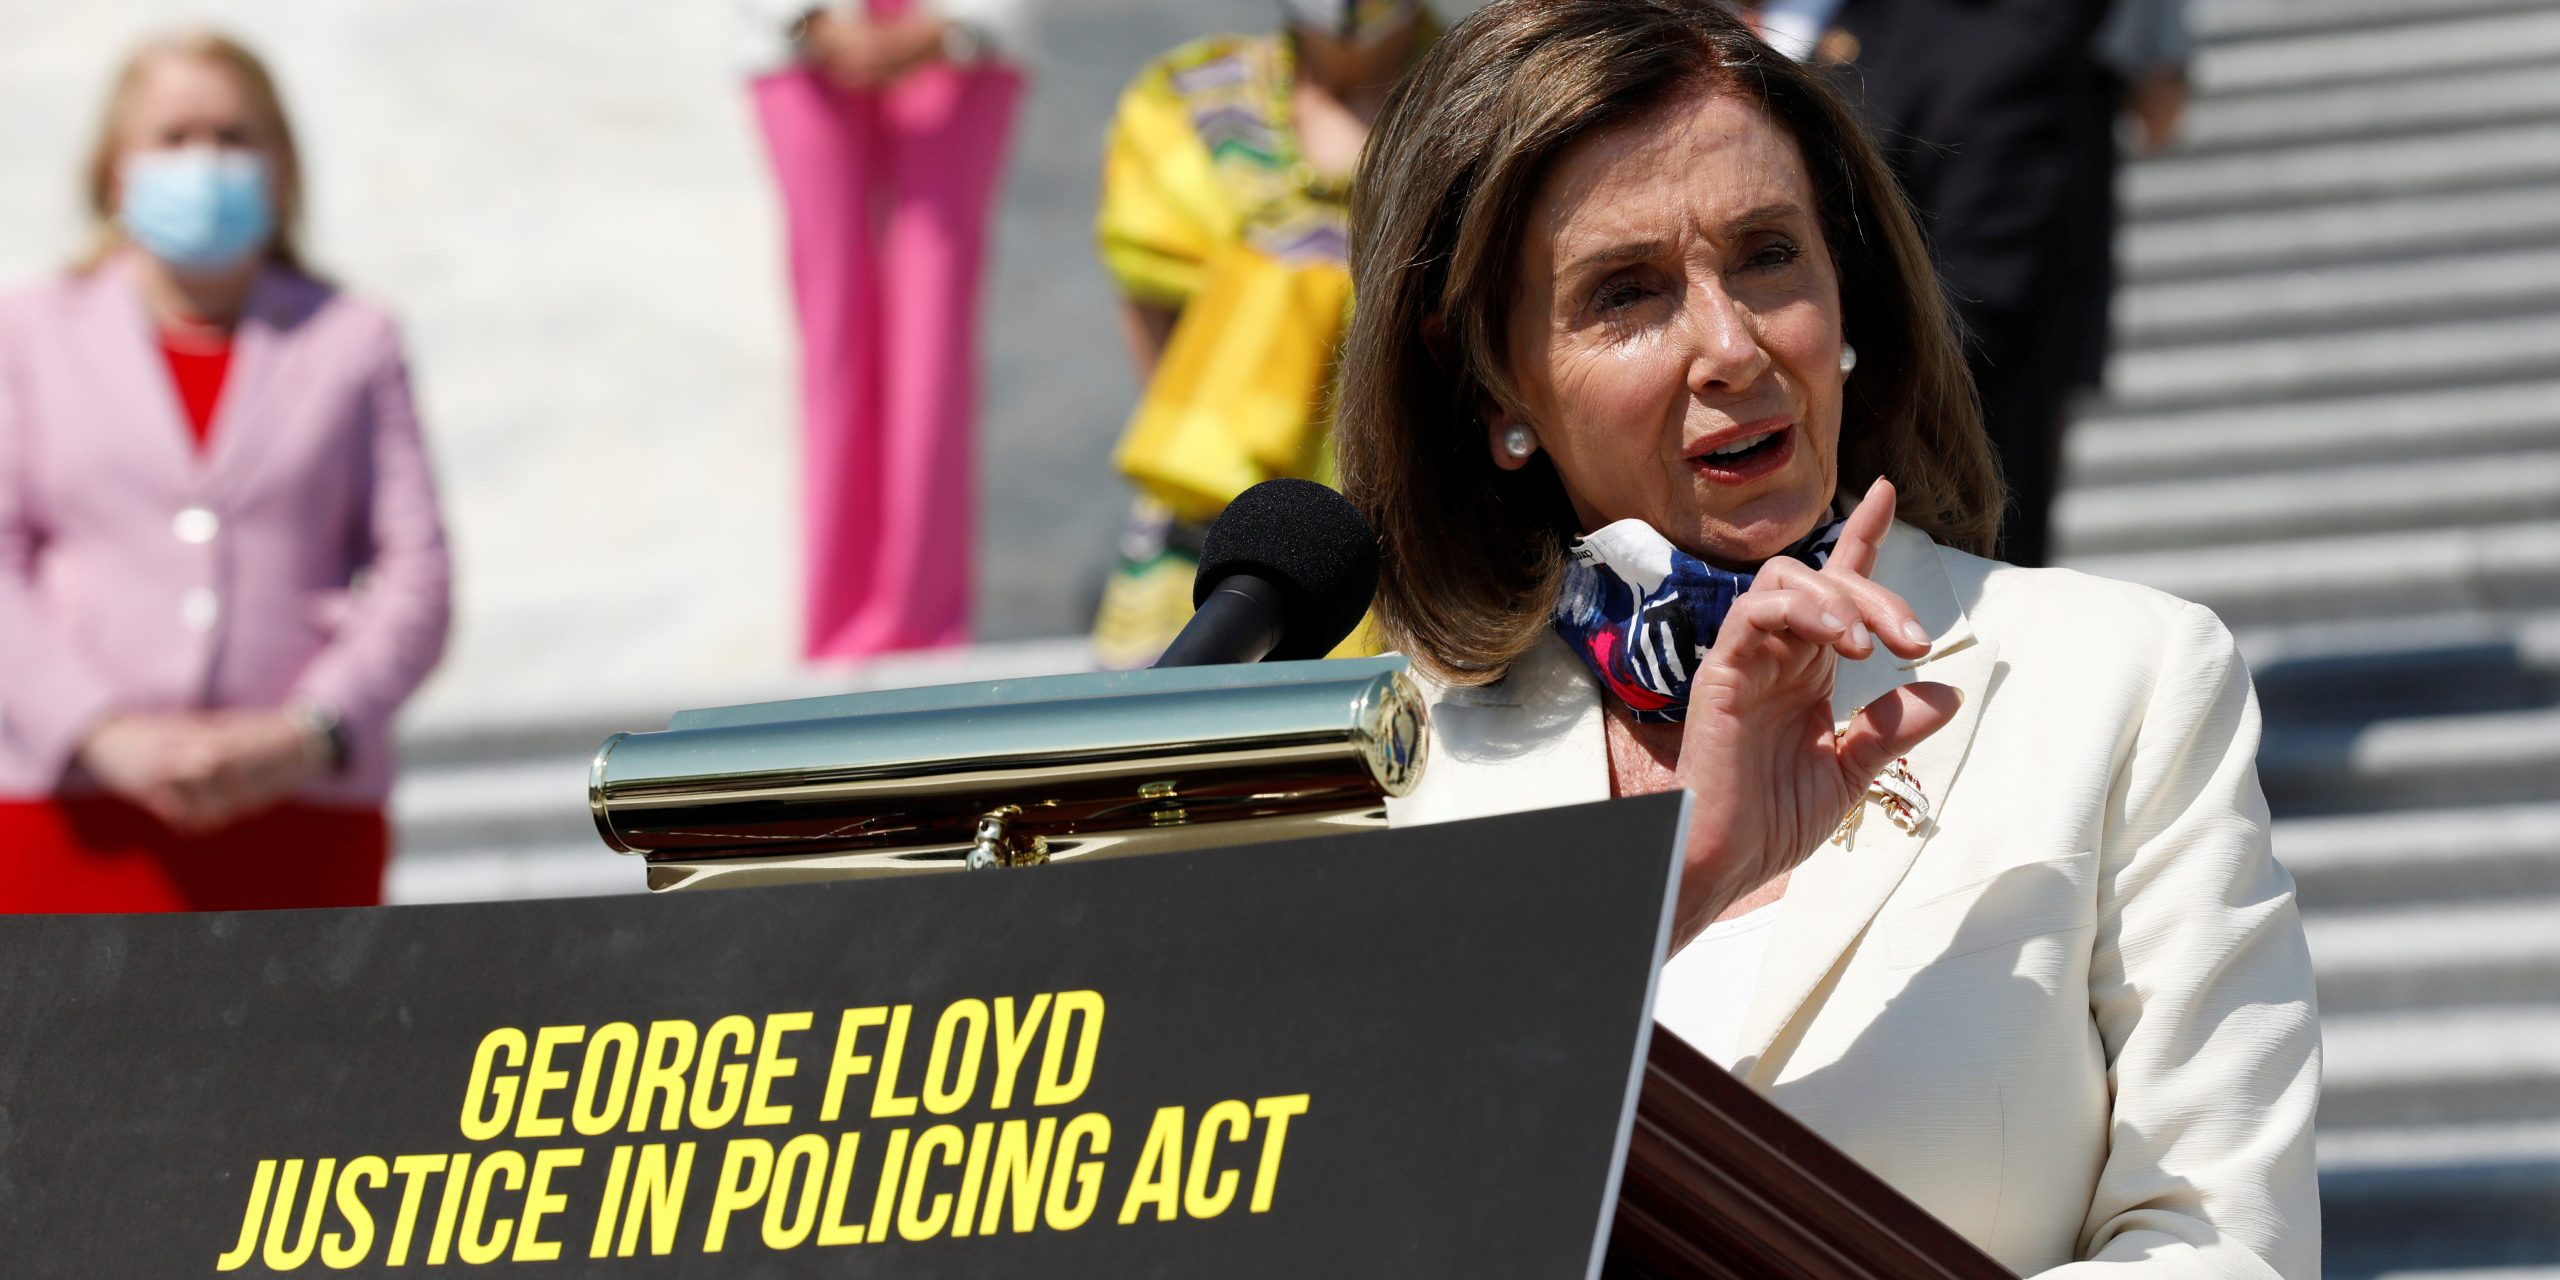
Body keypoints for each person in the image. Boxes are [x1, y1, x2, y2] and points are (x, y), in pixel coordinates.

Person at [1337, 2, 2317, 1274]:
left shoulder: (2120, 679)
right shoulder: (1376, 778)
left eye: (1766, 256)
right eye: (1626, 294)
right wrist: (1664, 892)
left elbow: (2223, 1244)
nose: (1732, 348)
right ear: (1489, 383)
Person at [0, 31, 451, 911]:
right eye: (173, 138)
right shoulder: (28, 334)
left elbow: (418, 575)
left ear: (281, 165)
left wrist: (306, 732)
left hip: (299, 813)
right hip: (72, 811)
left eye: (235, 136)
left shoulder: (352, 337)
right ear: (115, 170)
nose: (205, 161)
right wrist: (101, 732)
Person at [1086, 0, 1436, 668]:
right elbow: (1152, 307)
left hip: (1418, 518)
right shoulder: (1184, 103)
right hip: (1221, 516)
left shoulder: (1485, 91)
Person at [738, 0, 1030, 660]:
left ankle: (922, 629)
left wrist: (956, 27)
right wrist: (806, 20)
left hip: (959, 42)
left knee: (934, 343)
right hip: (800, 44)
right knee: (833, 338)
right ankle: (833, 631)